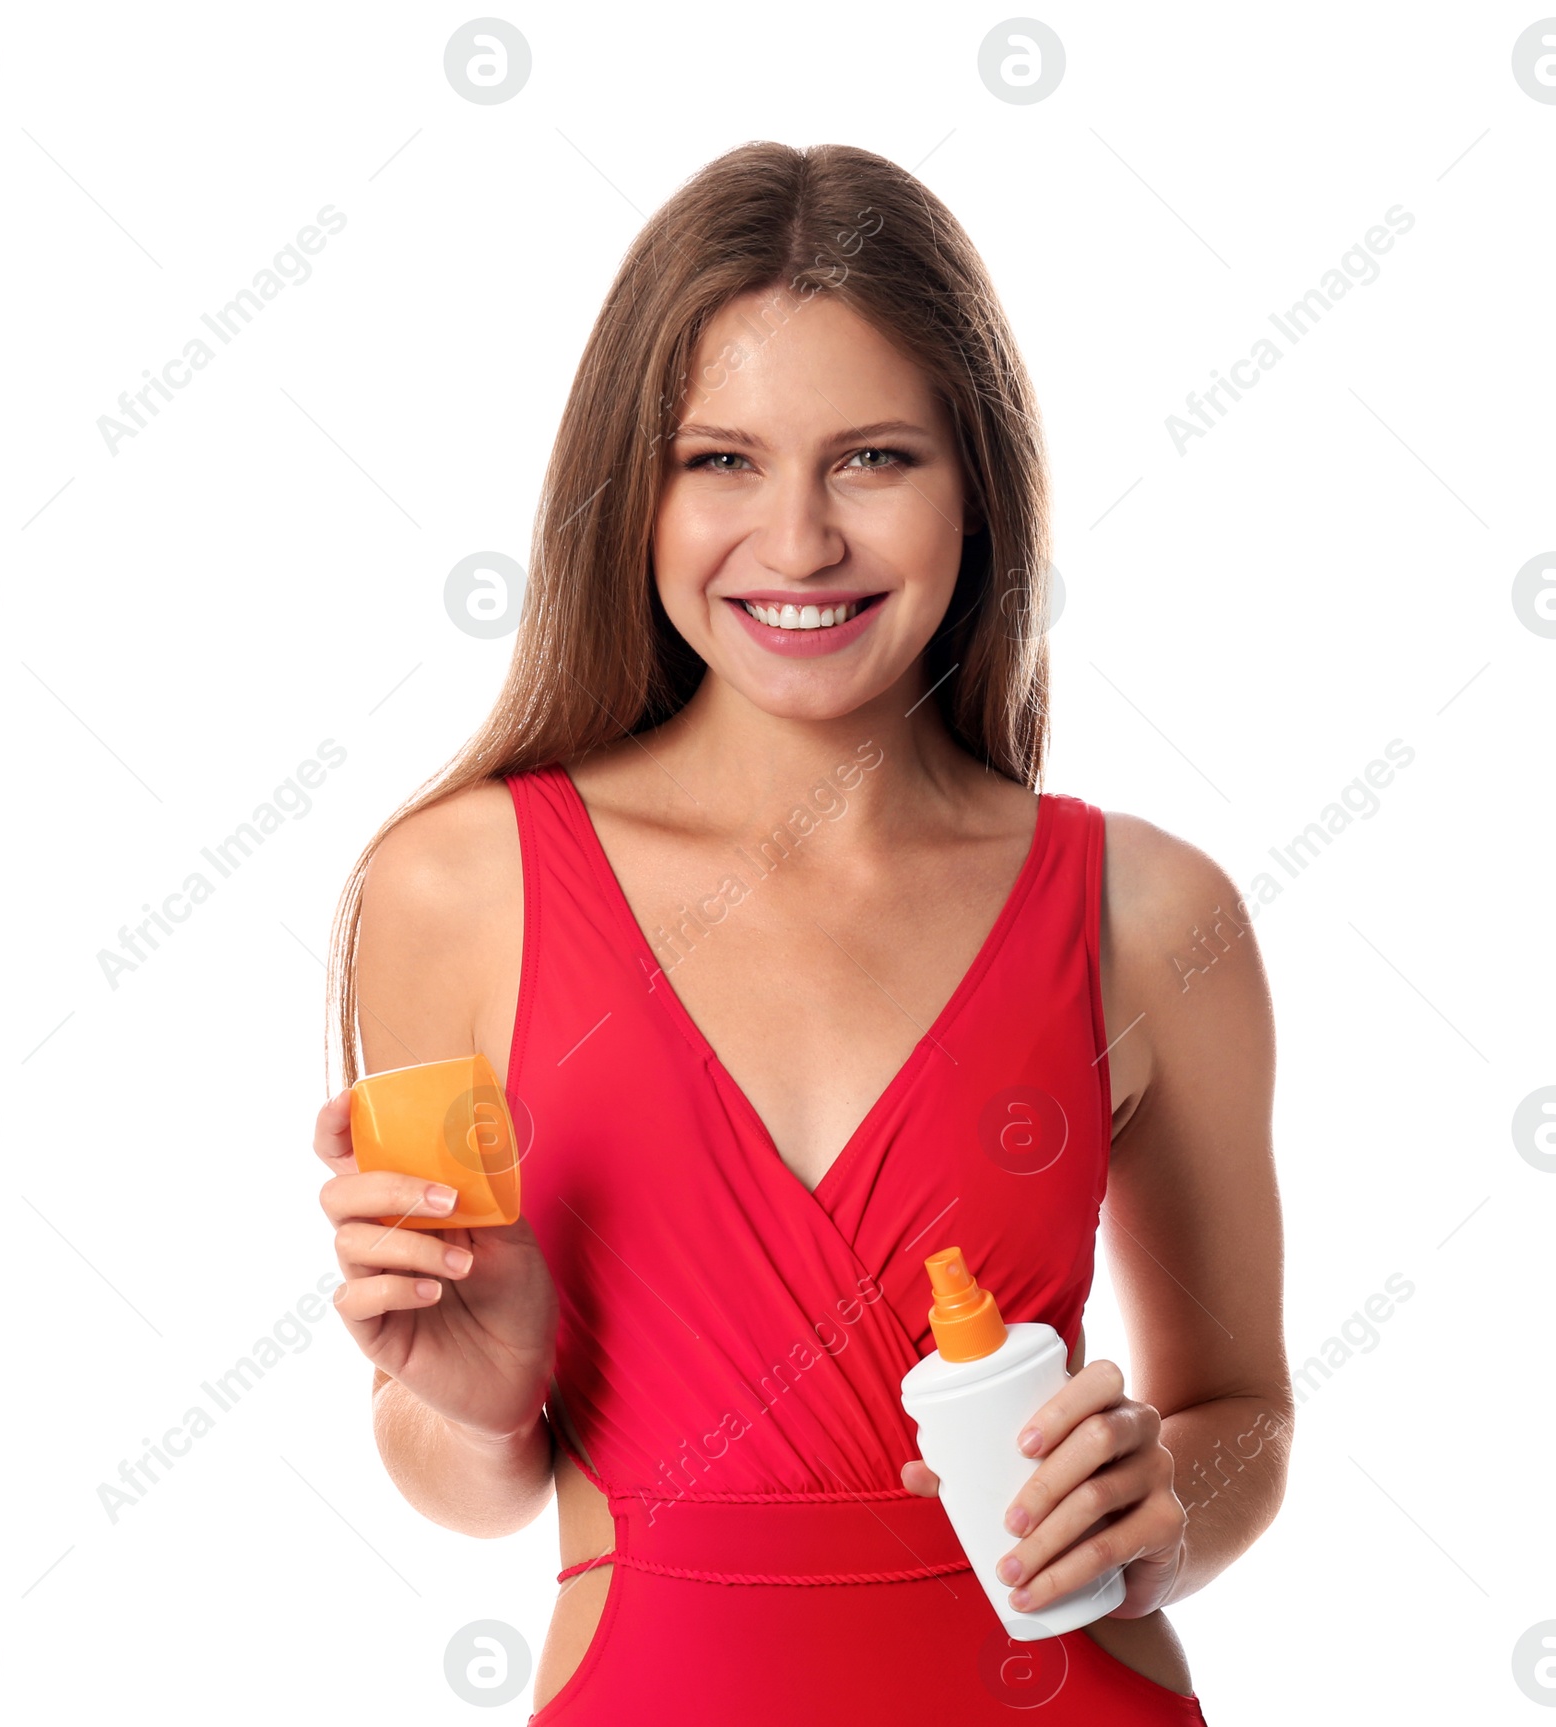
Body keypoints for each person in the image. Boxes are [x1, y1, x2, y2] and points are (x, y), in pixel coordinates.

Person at [312, 141, 1290, 1723]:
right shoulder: (451, 890)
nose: (798, 542)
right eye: (721, 461)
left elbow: (1243, 1411)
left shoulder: (1151, 916)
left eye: (874, 458)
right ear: (632, 489)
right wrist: (487, 1414)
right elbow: (463, 1472)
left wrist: (1162, 1504)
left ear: (980, 484)